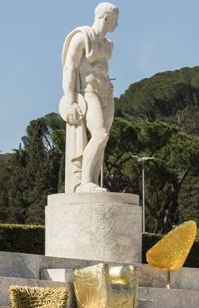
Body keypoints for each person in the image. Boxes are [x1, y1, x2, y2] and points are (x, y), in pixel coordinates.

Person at [60, 3, 119, 193]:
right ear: (106, 18)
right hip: (89, 91)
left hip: (106, 94)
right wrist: (70, 100)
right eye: (116, 20)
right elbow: (69, 67)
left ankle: (92, 180)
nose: (117, 25)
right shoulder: (82, 37)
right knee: (99, 134)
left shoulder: (109, 45)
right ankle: (84, 182)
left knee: (104, 139)